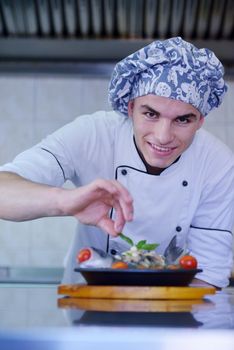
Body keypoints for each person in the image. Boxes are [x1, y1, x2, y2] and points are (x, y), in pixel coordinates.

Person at [0, 37, 233, 289]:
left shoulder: (216, 163)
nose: (163, 136)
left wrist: (172, 320)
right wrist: (63, 201)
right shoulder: (93, 134)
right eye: (150, 114)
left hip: (173, 308)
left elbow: (208, 272)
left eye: (183, 120)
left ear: (200, 121)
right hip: (87, 304)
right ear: (130, 108)